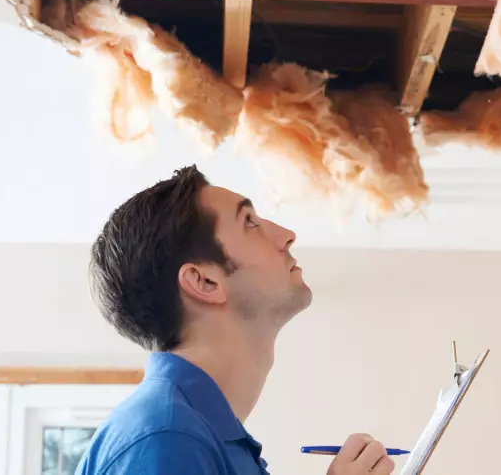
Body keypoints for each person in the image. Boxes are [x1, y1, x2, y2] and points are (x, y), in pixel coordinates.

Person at [77, 165, 395, 475]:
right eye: (249, 222)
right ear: (205, 282)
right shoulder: (168, 438)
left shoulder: (193, 436)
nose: (287, 236)